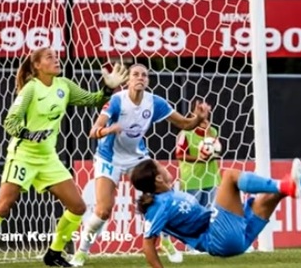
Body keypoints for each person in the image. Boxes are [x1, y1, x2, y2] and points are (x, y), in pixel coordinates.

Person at [0, 47, 129, 268]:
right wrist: (28, 133)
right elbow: (10, 122)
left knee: (77, 207)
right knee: (3, 206)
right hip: (23, 156)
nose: (56, 60)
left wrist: (107, 88)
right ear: (37, 65)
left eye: (56, 57)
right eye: (50, 57)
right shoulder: (30, 89)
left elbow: (93, 100)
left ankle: (53, 254)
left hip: (48, 158)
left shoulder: (64, 86)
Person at [131, 122, 301, 268]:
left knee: (272, 196)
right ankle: (287, 184)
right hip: (218, 237)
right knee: (231, 176)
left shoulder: (168, 196)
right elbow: (147, 245)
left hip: (233, 241)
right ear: (158, 179)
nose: (165, 166)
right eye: (160, 166)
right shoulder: (158, 205)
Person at [70, 64, 211, 266]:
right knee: (103, 211)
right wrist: (109, 130)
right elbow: (94, 131)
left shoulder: (154, 102)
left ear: (148, 81)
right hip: (109, 157)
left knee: (164, 194)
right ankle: (82, 251)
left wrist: (198, 118)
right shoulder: (117, 101)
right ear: (127, 80)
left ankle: (164, 239)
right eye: (135, 74)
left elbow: (185, 124)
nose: (140, 78)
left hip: (137, 157)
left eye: (144, 75)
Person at [175, 97, 221, 208]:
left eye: (205, 110)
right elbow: (179, 155)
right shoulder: (185, 132)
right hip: (192, 180)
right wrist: (199, 159)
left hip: (211, 179)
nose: (204, 113)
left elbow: (216, 150)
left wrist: (208, 129)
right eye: (200, 109)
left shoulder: (213, 130)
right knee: (192, 214)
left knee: (208, 215)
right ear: (192, 112)